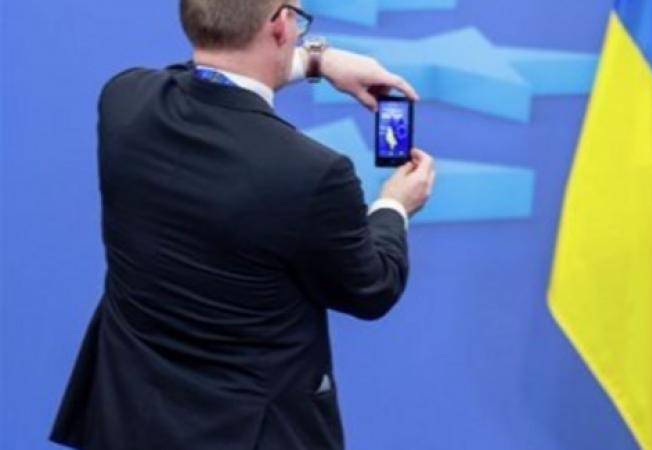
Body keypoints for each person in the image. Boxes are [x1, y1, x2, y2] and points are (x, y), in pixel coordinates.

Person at [49, 1, 434, 448]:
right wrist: (393, 206)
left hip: (128, 421)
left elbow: (202, 74)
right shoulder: (311, 174)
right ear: (281, 24)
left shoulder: (124, 101)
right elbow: (371, 289)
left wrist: (318, 61)